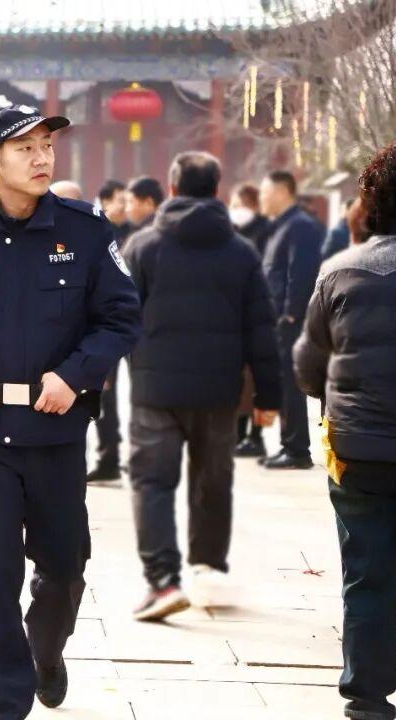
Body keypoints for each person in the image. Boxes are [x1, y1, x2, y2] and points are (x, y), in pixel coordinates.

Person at [0, 105, 140, 720]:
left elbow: (121, 318)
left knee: (64, 566)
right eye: (26, 149)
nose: (42, 158)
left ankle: (45, 649)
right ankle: (6, 700)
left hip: (56, 428)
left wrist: (75, 376)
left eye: (47, 146)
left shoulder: (86, 228)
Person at [122, 152, 281, 621]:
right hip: (218, 390)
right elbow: (262, 329)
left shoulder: (142, 246)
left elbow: (118, 318)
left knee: (152, 481)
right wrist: (269, 396)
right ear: (216, 190)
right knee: (212, 480)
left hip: (154, 390)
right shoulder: (241, 252)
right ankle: (207, 568)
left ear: (171, 189)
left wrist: (103, 375)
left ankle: (162, 581)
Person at [293, 142, 396, 720]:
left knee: (367, 577)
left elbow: (308, 366)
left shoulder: (339, 271)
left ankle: (366, 701)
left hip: (360, 452)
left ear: (372, 204)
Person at [259, 170, 324, 469]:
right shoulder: (282, 226)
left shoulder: (300, 226)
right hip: (278, 318)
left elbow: (300, 273)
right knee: (284, 383)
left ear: (283, 191)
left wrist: (290, 313)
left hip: (290, 320)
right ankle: (289, 444)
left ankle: (297, 449)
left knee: (290, 384)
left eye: (266, 192)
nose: (262, 198)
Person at [87, 178, 134, 482]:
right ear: (104, 201)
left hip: (134, 322)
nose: (125, 206)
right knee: (105, 394)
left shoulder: (135, 231)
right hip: (106, 324)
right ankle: (109, 457)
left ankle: (133, 454)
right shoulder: (95, 232)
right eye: (120, 200)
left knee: (141, 393)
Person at [230, 182, 275, 459]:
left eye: (237, 203)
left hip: (253, 311)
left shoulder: (265, 230)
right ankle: (241, 435)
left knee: (252, 380)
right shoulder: (233, 231)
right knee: (243, 380)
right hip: (241, 312)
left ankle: (254, 437)